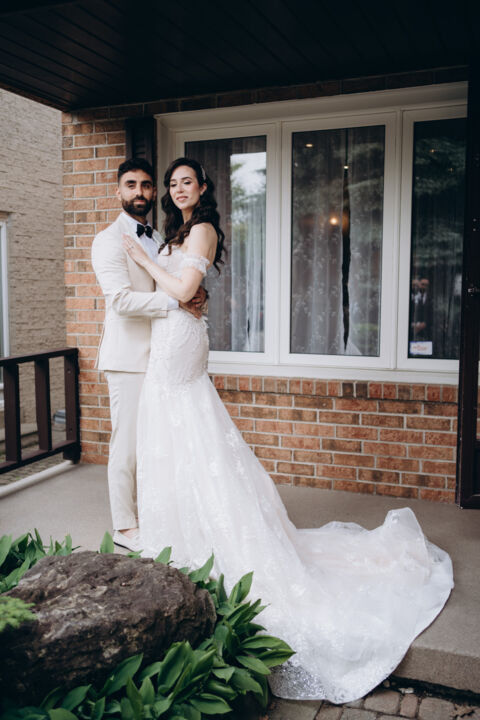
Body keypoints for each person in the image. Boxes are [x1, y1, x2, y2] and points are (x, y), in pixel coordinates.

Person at [123, 157, 454, 704]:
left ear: (202, 188)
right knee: (174, 437)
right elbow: (180, 290)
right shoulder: (177, 232)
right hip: (168, 337)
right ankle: (182, 535)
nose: (179, 189)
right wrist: (170, 280)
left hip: (180, 340)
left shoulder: (202, 229)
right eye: (173, 183)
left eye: (187, 182)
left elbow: (182, 291)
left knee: (189, 428)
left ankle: (217, 538)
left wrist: (145, 261)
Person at [91, 158, 206, 552]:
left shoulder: (157, 236)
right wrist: (177, 303)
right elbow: (121, 301)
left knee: (156, 442)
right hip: (127, 358)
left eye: (145, 185)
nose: (139, 192)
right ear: (118, 191)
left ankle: (157, 516)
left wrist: (191, 294)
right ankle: (124, 526)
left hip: (162, 354)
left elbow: (173, 280)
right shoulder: (108, 240)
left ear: (154, 192)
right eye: (130, 185)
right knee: (126, 446)